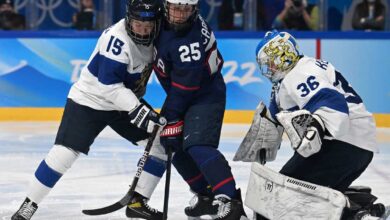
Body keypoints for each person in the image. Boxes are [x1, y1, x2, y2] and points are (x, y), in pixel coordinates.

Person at [11, 0, 166, 219]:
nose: (143, 30)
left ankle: (138, 203)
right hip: (91, 100)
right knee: (64, 153)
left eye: (148, 24)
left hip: (124, 101)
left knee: (162, 143)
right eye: (138, 23)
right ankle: (28, 206)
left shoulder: (162, 35)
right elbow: (109, 86)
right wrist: (139, 110)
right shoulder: (117, 39)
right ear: (129, 19)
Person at [125, 0, 247, 219]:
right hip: (184, 94)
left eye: (185, 10)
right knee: (172, 146)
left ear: (194, 10)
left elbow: (185, 87)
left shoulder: (188, 40)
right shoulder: (161, 21)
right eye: (175, 8)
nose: (180, 15)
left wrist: (169, 118)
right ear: (165, 6)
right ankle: (205, 196)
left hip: (205, 95)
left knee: (198, 145)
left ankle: (232, 202)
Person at [250, 30, 383, 219]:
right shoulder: (296, 73)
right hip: (358, 146)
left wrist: (316, 128)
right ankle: (362, 205)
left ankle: (355, 215)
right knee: (308, 193)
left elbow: (332, 105)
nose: (269, 68)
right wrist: (266, 136)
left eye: (271, 61)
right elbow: (277, 111)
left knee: (281, 197)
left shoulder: (298, 74)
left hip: (343, 144)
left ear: (284, 56)